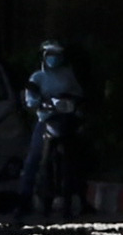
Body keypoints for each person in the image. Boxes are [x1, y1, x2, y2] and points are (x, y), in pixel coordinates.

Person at [19, 40, 85, 205]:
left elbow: (78, 93)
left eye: (56, 56)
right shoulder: (37, 77)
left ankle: (81, 198)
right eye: (50, 55)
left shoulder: (68, 75)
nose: (53, 59)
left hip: (66, 120)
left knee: (79, 157)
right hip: (46, 119)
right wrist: (37, 102)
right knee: (33, 159)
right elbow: (31, 99)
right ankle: (24, 200)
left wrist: (75, 102)